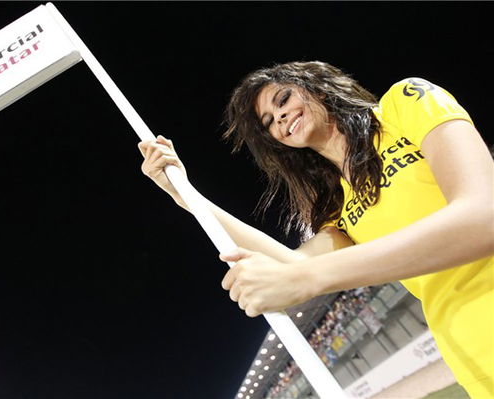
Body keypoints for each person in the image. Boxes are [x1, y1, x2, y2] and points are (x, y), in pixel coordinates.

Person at [137, 61, 493, 398]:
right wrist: (187, 196)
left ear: (318, 88)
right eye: (269, 122)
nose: (280, 117)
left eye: (283, 99)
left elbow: (483, 216)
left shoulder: (405, 103)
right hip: (470, 353)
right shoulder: (338, 205)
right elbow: (292, 266)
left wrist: (310, 277)